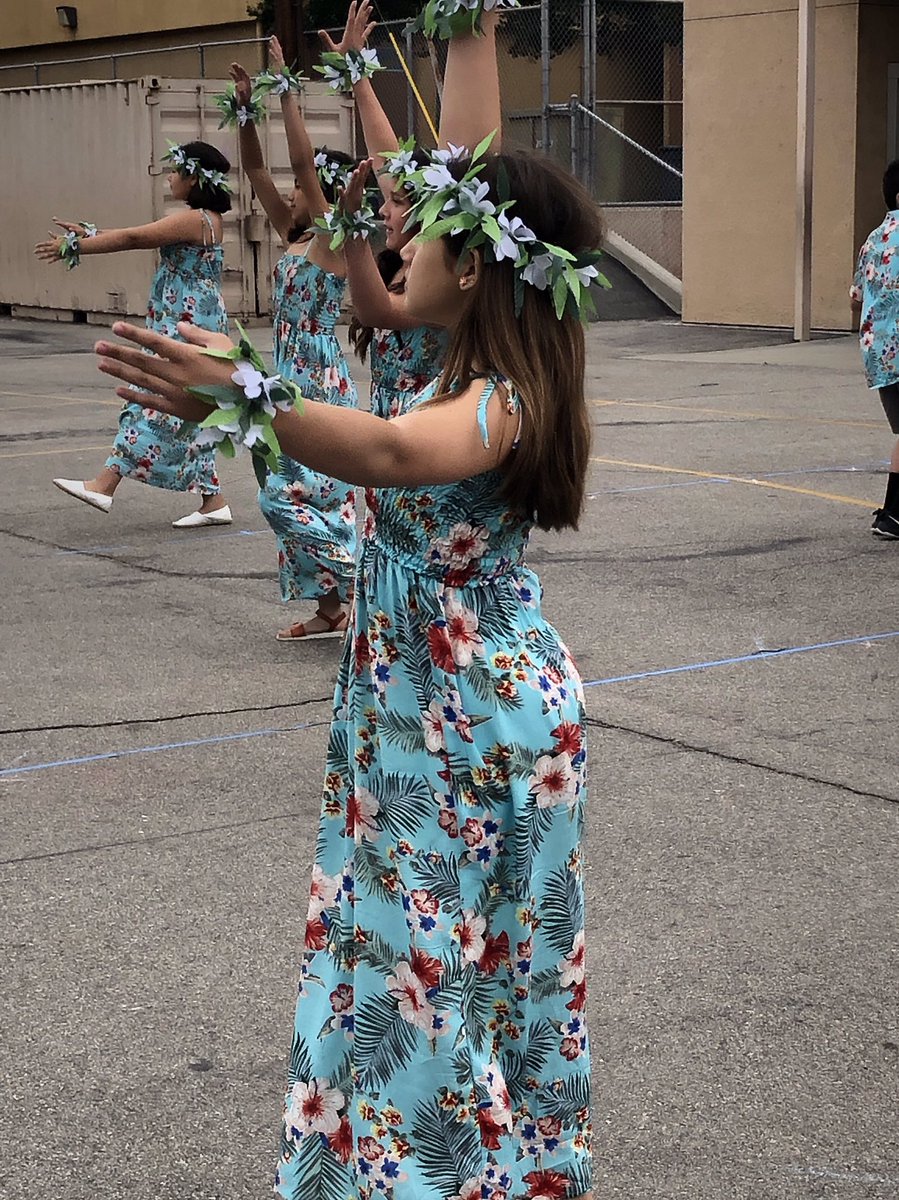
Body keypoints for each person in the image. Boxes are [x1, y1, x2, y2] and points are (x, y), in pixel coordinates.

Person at [95, 139, 600, 1200]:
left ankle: (447, 1178)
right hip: (426, 712)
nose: (396, 241)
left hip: (467, 727)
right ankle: (421, 1170)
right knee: (428, 964)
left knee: (430, 971)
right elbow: (377, 419)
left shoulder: (502, 397)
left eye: (424, 228)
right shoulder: (453, 367)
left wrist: (241, 395)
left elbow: (390, 457)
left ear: (474, 268)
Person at [229, 38, 359, 640]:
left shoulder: (334, 242)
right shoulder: (293, 233)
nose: (298, 188)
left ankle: (359, 575)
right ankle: (331, 611)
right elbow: (256, 171)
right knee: (289, 490)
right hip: (283, 379)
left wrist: (284, 87)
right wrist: (247, 113)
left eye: (309, 184)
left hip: (322, 382)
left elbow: (302, 163)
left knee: (291, 496)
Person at [35, 142, 234, 528]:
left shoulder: (195, 219)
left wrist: (76, 247)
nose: (170, 177)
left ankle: (104, 483)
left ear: (195, 178)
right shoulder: (201, 219)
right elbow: (141, 233)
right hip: (187, 317)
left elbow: (134, 239)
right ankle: (214, 502)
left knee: (157, 398)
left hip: (184, 321)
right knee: (187, 407)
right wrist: (90, 233)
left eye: (176, 171)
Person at [325, 1, 450, 419]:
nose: (384, 210)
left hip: (424, 428)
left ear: (429, 212)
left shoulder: (437, 272)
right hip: (388, 421)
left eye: (398, 204)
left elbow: (376, 310)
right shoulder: (397, 263)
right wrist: (357, 73)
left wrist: (353, 231)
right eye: (387, 201)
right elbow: (386, 161)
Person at [851, 157, 899, 540]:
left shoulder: (872, 239)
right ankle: (893, 514)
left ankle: (893, 513)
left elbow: (855, 298)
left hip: (879, 353)